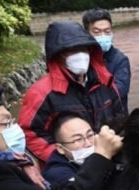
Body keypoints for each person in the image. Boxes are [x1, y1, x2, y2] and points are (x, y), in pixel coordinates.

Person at [19, 20, 125, 164]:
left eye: (84, 49)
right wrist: (62, 157)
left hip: (110, 158)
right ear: (59, 55)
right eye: (72, 50)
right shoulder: (41, 92)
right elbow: (29, 133)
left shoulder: (105, 81)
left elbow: (120, 117)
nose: (80, 55)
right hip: (71, 166)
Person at [82, 8, 131, 111]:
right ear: (86, 33)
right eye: (97, 32)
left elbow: (118, 91)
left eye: (107, 31)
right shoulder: (80, 59)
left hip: (115, 119)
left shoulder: (120, 60)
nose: (103, 36)